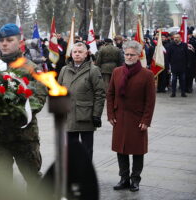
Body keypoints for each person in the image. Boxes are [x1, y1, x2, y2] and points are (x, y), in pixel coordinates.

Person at [0, 23, 47, 191]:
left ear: (19, 42)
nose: (4, 43)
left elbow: (38, 100)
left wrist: (14, 108)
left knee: (34, 181)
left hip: (24, 137)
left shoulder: (32, 69)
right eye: (1, 40)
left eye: (9, 40)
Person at [107, 40, 156, 192]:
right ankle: (124, 179)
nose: (128, 57)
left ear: (139, 55)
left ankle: (135, 180)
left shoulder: (147, 75)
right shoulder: (117, 71)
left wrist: (146, 120)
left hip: (137, 119)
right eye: (126, 54)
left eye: (132, 55)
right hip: (119, 117)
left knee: (137, 150)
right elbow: (110, 94)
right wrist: (110, 114)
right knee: (120, 150)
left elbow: (150, 100)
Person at [58, 42, 106, 161]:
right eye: (75, 52)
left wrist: (96, 115)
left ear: (86, 54)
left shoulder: (93, 70)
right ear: (71, 53)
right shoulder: (64, 70)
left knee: (86, 149)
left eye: (80, 52)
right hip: (68, 116)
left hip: (86, 115)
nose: (77, 54)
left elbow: (100, 93)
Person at [167, 33, 189, 97]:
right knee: (174, 80)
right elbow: (168, 56)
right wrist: (168, 66)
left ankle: (183, 93)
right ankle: (173, 93)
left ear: (180, 38)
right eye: (175, 37)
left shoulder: (184, 45)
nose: (176, 39)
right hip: (174, 66)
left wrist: (187, 64)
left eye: (177, 37)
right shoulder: (171, 46)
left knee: (182, 80)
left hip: (182, 66)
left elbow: (187, 55)